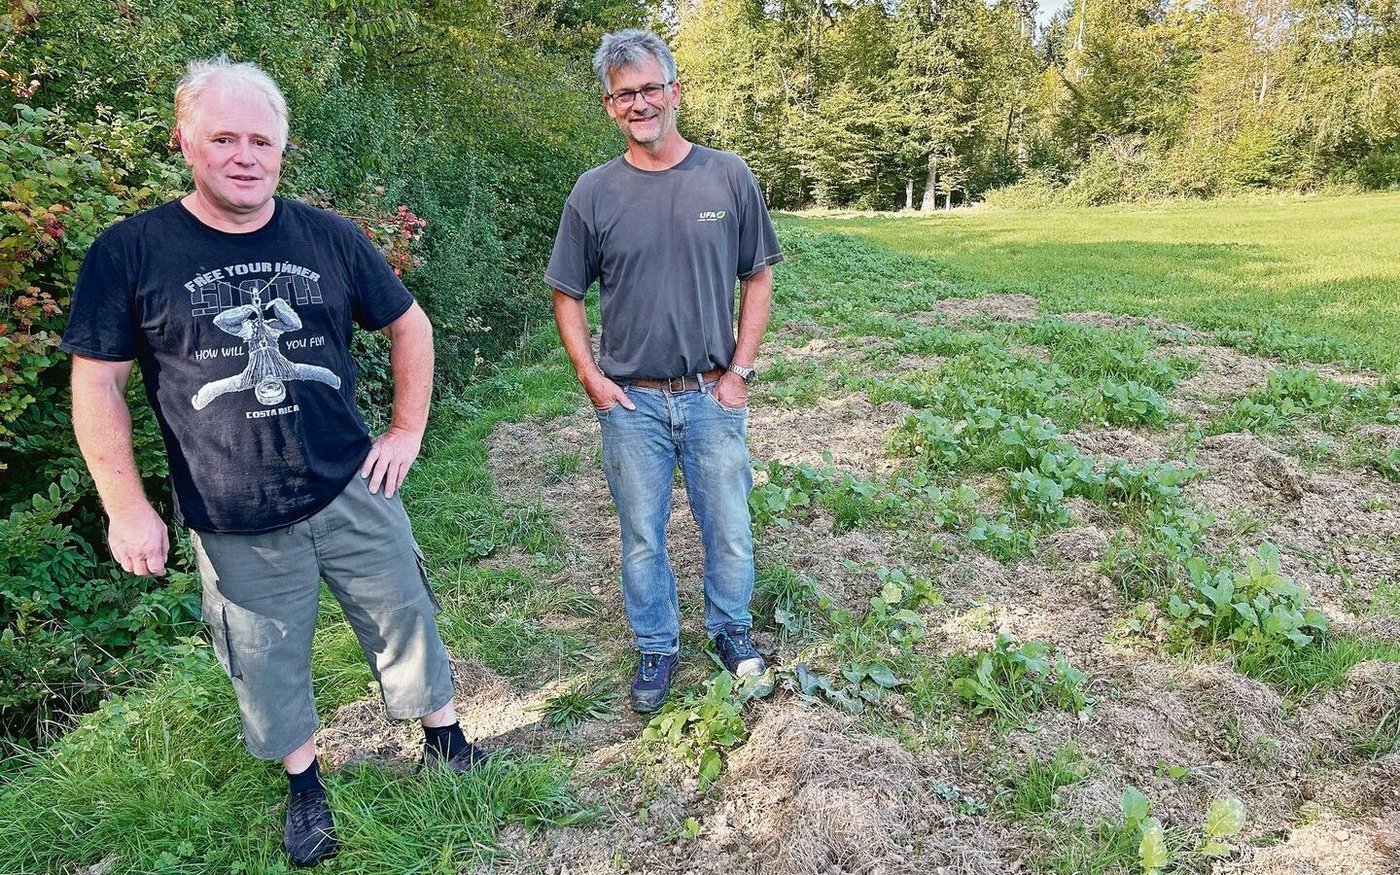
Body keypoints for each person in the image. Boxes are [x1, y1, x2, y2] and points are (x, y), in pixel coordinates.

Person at [62, 57, 485, 868]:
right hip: (232, 513)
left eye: (261, 140)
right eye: (224, 137)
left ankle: (447, 739)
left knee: (405, 613)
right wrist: (126, 505)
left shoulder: (328, 236)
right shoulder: (130, 251)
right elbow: (99, 384)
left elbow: (410, 327)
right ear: (186, 140)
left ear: (282, 150)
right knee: (263, 659)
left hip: (348, 483)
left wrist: (405, 432)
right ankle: (305, 786)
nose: (244, 155)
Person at [545, 29, 783, 714]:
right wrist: (592, 376)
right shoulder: (593, 193)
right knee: (642, 535)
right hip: (633, 404)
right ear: (609, 107)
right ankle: (656, 645)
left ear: (674, 91)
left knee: (729, 525)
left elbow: (758, 279)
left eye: (651, 88)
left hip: (713, 393)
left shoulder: (726, 176)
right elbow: (566, 293)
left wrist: (740, 371)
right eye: (626, 95)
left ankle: (731, 632)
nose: (641, 103)